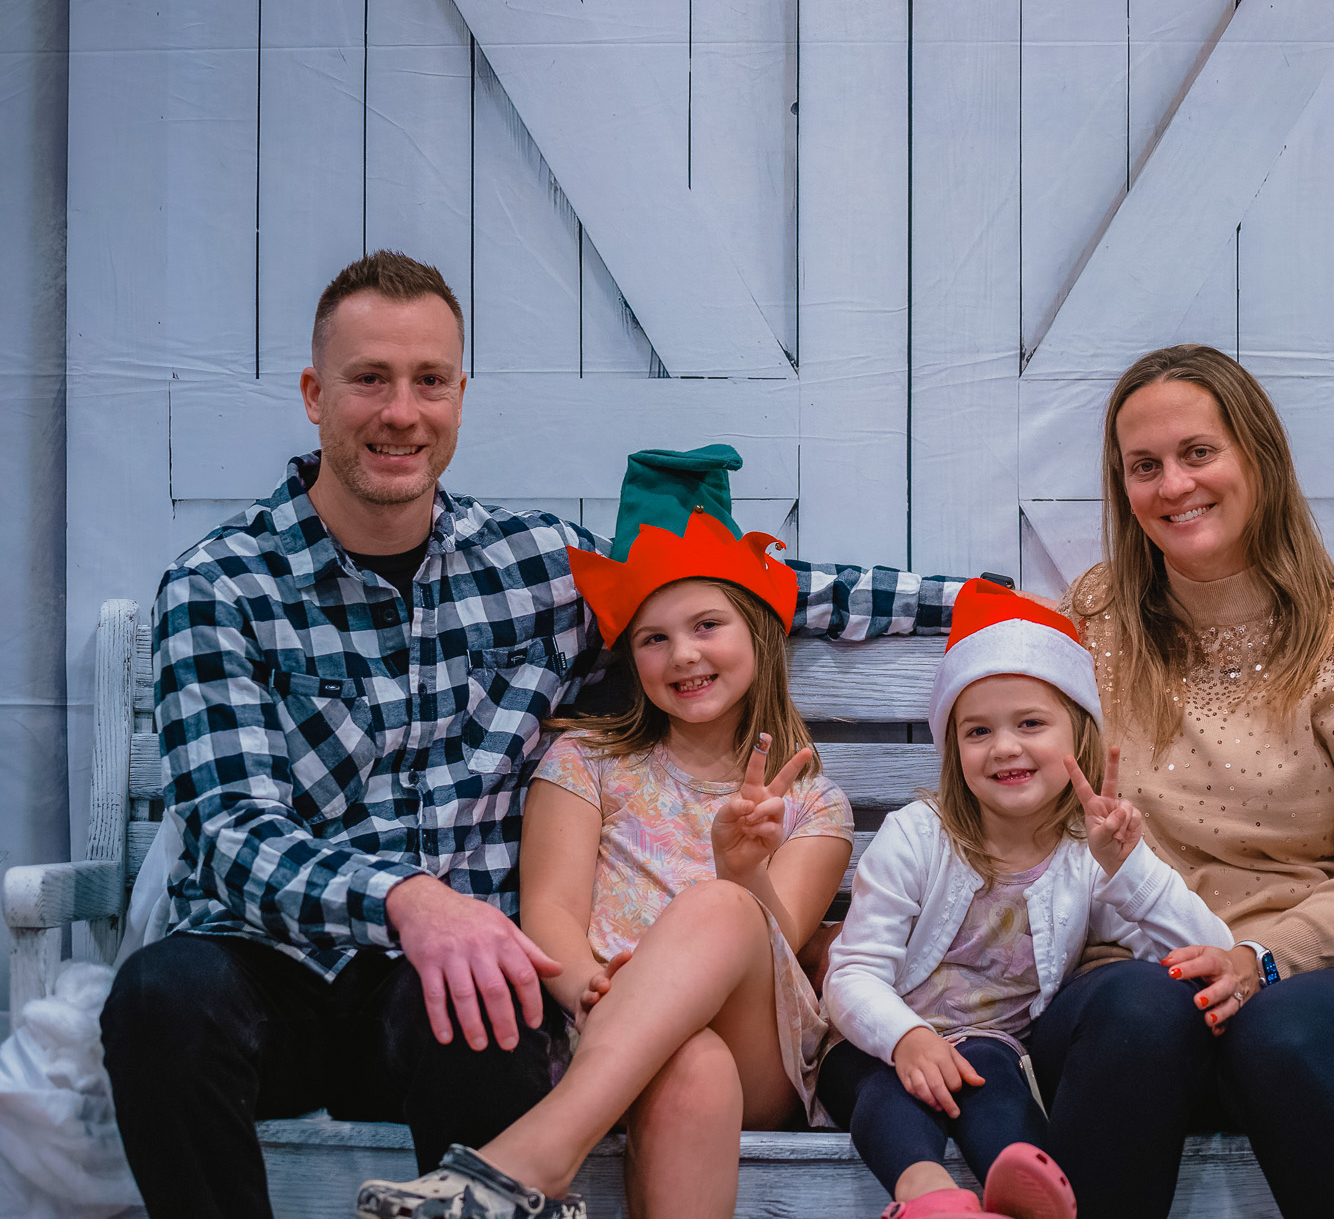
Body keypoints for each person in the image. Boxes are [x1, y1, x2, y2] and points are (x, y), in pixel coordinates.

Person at [99, 250, 965, 1219]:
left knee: (495, 1008)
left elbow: (742, 586)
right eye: (370, 380)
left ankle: (493, 1186)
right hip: (273, 967)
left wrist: (980, 605)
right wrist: (407, 900)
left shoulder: (532, 567)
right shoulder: (222, 585)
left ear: (460, 395)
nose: (401, 412)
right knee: (159, 999)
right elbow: (229, 830)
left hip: (452, 991)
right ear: (314, 394)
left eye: (429, 381)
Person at [1029, 344, 1334, 1219]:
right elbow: (1021, 802)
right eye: (1144, 466)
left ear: (1259, 456)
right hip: (1138, 988)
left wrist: (1263, 959)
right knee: (1143, 1008)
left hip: (1331, 993)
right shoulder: (1092, 626)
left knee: (1279, 1031)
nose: (1174, 485)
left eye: (1198, 452)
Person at [358, 485, 855, 1219]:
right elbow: (550, 910)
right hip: (598, 1028)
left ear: (757, 630)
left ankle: (532, 1159)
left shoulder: (811, 800)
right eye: (654, 638)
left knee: (720, 905)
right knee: (690, 1059)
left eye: (707, 625)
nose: (683, 654)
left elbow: (781, 952)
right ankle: (533, 1160)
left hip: (761, 1056)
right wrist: (595, 988)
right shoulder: (586, 761)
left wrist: (744, 869)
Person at [820, 579, 1231, 1219]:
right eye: (978, 731)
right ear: (954, 749)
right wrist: (907, 1038)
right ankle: (928, 1198)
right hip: (876, 1044)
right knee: (890, 1090)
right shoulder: (916, 837)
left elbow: (1206, 951)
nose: (1005, 747)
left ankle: (1025, 1198)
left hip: (994, 1053)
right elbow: (851, 974)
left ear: (1079, 734)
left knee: (995, 1084)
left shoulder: (1087, 855)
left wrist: (1128, 867)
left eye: (1031, 723)